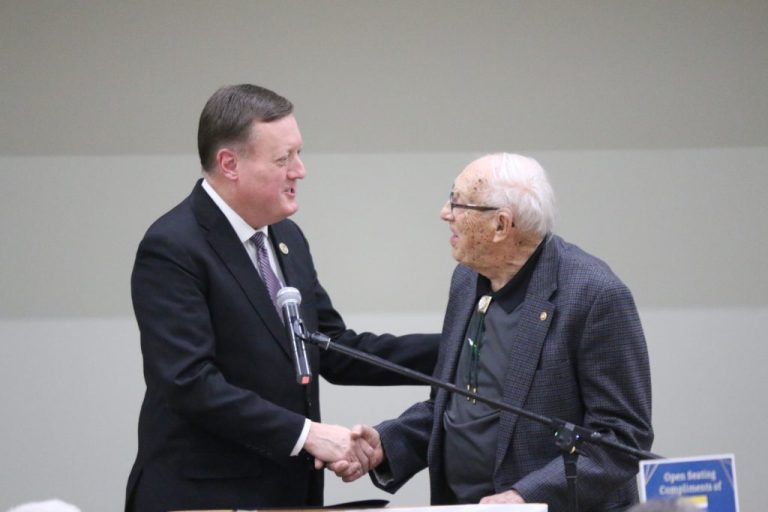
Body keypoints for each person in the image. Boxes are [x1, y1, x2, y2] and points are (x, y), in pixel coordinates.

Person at [125, 84, 439, 512]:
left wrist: (457, 351)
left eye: (298, 154)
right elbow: (188, 382)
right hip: (205, 496)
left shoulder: (286, 237)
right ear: (230, 164)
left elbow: (331, 348)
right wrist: (307, 435)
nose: (300, 171)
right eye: (283, 158)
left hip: (288, 494)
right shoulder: (173, 246)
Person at [334, 153, 654, 511]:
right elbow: (452, 404)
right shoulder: (467, 279)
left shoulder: (594, 295)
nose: (445, 213)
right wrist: (387, 443)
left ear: (501, 225)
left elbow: (622, 438)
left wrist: (526, 496)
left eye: (458, 203)